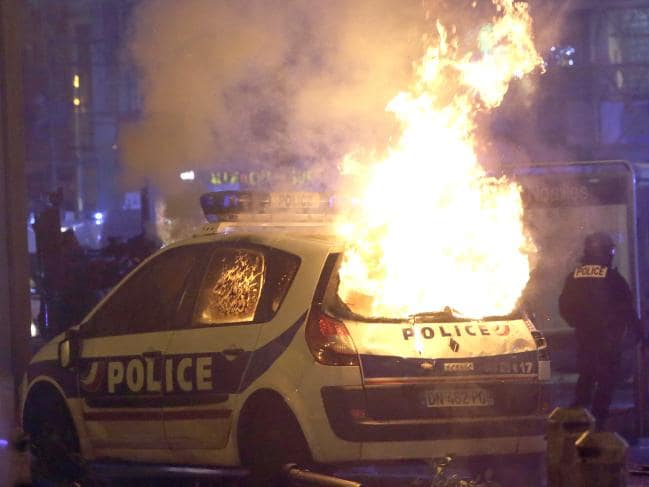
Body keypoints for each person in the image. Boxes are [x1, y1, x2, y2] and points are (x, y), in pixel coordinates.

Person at [559, 231, 643, 429]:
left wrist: (579, 324)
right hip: (608, 341)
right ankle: (597, 427)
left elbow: (564, 307)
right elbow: (627, 310)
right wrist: (638, 333)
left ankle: (575, 426)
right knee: (605, 383)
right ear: (606, 252)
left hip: (584, 339)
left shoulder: (574, 277)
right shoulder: (613, 278)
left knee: (585, 380)